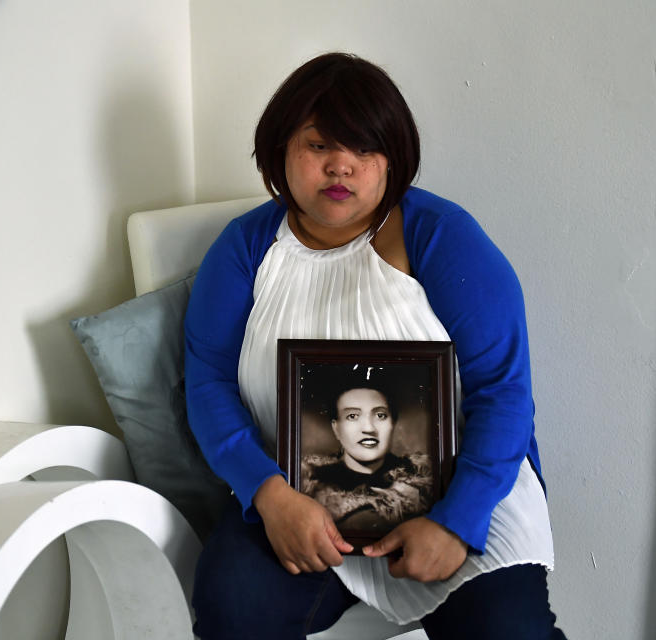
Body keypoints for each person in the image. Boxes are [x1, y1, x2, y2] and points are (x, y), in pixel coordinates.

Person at [185, 52, 565, 639]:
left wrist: (457, 523)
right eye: (318, 146)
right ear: (280, 151)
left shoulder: (442, 236)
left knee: (507, 630)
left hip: (460, 492)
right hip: (296, 498)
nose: (341, 166)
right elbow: (207, 380)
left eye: (363, 150)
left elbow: (504, 391)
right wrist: (268, 495)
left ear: (393, 160)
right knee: (229, 604)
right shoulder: (244, 248)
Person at [302, 380, 432, 535]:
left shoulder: (423, 484)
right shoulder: (308, 487)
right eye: (352, 416)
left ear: (393, 423)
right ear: (336, 428)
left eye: (380, 415)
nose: (369, 428)